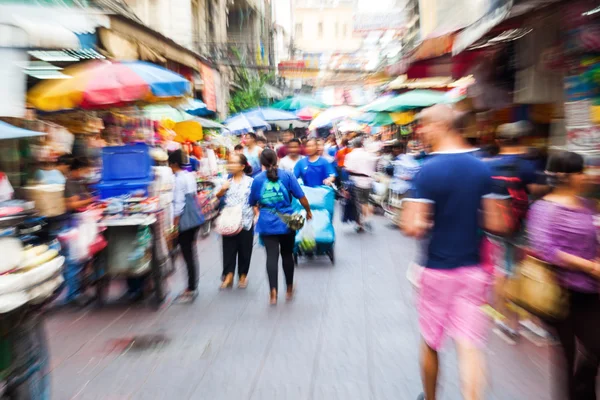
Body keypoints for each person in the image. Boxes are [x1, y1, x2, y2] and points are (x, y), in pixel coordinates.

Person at [402, 104, 503, 400]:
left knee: (432, 342)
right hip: (474, 271)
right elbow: (498, 222)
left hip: (437, 270)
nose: (421, 131)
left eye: (425, 125)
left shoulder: (427, 172)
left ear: (443, 125)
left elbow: (413, 227)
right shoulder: (484, 167)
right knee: (470, 346)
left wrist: (426, 216)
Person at [527, 151, 599, 400]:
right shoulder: (543, 208)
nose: (586, 175)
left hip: (591, 290)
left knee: (592, 350)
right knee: (571, 357)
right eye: (582, 171)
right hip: (560, 293)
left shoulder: (586, 204)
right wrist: (589, 266)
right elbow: (548, 250)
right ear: (569, 177)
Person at [483, 121, 550, 344]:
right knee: (525, 269)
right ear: (522, 140)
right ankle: (529, 320)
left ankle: (502, 318)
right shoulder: (526, 166)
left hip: (495, 224)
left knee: (502, 269)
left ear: (499, 141)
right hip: (521, 225)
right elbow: (539, 191)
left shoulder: (488, 165)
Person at [249, 149, 312, 305]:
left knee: (271, 256)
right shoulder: (287, 175)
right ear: (277, 159)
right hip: (287, 221)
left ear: (261, 162)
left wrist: (258, 211)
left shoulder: (257, 180)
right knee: (286, 255)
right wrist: (308, 211)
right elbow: (301, 196)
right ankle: (289, 289)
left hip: (267, 222)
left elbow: (252, 202)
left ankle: (273, 293)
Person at [216, 154, 256, 290]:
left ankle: (243, 275)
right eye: (229, 163)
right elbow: (218, 196)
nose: (230, 165)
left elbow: (255, 199)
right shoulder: (226, 180)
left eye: (234, 163)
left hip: (246, 219)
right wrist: (223, 189)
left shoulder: (251, 182)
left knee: (245, 248)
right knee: (228, 247)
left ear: (242, 166)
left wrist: (257, 213)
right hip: (229, 219)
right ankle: (228, 275)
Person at [169, 149, 201, 303]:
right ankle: (192, 285)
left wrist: (174, 225)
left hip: (185, 219)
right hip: (194, 217)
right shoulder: (190, 176)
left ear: (174, 163)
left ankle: (191, 287)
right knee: (190, 253)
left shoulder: (178, 179)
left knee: (186, 253)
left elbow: (179, 204)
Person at [344, 137, 377, 232]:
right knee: (367, 201)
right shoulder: (370, 155)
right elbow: (374, 167)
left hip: (356, 181)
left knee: (358, 203)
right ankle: (367, 218)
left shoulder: (350, 155)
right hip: (369, 181)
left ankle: (362, 222)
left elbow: (348, 168)